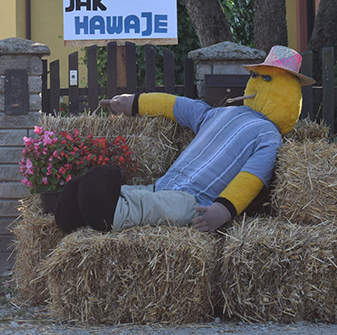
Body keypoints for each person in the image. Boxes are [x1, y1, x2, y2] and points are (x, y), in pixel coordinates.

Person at [54, 45, 316, 234]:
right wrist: (133, 102)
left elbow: (251, 178)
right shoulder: (219, 113)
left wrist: (222, 210)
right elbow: (177, 106)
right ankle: (76, 211)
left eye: (266, 78)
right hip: (164, 185)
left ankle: (108, 215)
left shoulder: (268, 136)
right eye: (256, 76)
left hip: (194, 202)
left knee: (145, 208)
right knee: (136, 195)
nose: (257, 83)